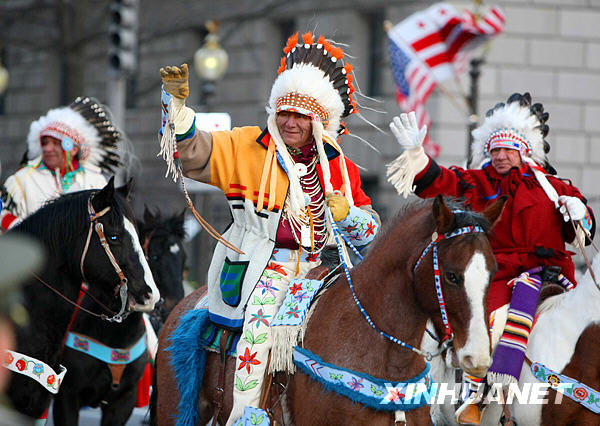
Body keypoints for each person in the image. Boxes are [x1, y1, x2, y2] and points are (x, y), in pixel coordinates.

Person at [159, 32, 380, 425]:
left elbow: (368, 237)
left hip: (326, 267)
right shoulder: (247, 146)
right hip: (264, 264)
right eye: (285, 113)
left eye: (301, 116)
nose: (290, 122)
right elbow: (195, 152)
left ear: (319, 121)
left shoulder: (339, 166)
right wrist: (179, 111)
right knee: (261, 327)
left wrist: (348, 216)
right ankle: (246, 415)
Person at [386, 93, 595, 425]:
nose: (499, 157)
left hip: (554, 276)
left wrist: (580, 212)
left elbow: (582, 233)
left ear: (524, 151)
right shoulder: (476, 183)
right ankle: (475, 400)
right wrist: (417, 155)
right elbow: (441, 183)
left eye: (508, 150)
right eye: (494, 150)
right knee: (483, 329)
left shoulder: (555, 187)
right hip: (497, 276)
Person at [0, 97, 123, 232]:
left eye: (56, 143)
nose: (47, 149)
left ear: (74, 149)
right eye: (45, 142)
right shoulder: (21, 181)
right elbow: (3, 217)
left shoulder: (95, 180)